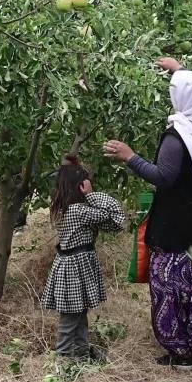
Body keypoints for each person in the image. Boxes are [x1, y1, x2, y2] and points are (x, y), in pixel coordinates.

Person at [103, 57, 192, 378]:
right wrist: (180, 70)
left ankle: (181, 353)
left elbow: (163, 177)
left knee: (172, 289)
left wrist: (130, 157)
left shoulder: (177, 137)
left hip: (179, 229)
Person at [40, 154, 125, 361]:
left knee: (78, 315)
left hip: (72, 265)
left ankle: (81, 356)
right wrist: (92, 195)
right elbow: (115, 213)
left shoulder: (64, 208)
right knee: (70, 319)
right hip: (76, 267)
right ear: (79, 186)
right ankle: (62, 360)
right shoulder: (79, 210)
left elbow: (111, 222)